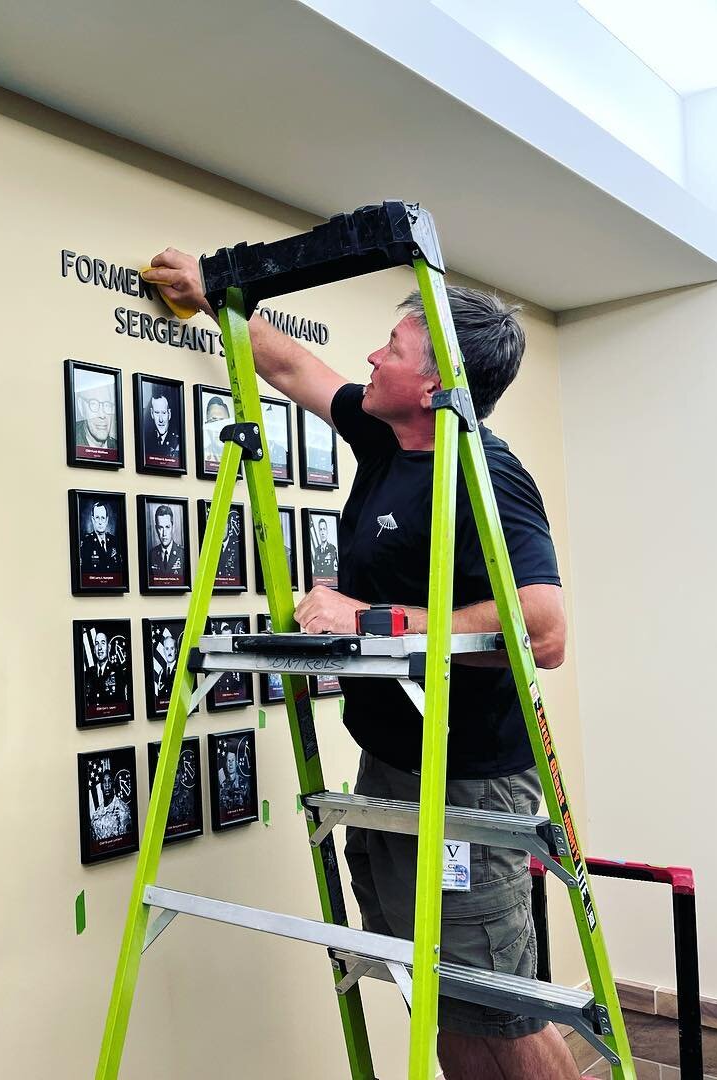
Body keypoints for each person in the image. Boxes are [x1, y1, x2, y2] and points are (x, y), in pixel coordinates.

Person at [146, 249, 572, 1078]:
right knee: (434, 988)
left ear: (434, 382)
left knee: (497, 1005)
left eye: (393, 346)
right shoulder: (385, 437)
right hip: (395, 762)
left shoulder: (486, 470)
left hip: (469, 780)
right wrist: (211, 298)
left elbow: (545, 629)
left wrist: (369, 617)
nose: (373, 356)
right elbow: (294, 365)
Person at [82, 628, 128, 713]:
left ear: (109, 647)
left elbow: (121, 705)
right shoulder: (87, 674)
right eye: (97, 644)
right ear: (94, 650)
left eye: (103, 643)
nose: (100, 648)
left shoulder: (118, 671)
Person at [78, 500, 120, 575]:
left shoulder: (114, 541)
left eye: (103, 518)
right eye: (97, 517)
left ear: (107, 520)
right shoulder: (86, 542)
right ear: (93, 520)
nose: (100, 522)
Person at [217, 737, 252, 817]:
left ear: (236, 763)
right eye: (228, 761)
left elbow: (249, 805)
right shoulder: (222, 785)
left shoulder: (244, 783)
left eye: (232, 760)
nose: (230, 763)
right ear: (226, 764)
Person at [142, 387, 181, 461]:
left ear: (169, 414)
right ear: (152, 413)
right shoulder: (145, 438)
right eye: (157, 413)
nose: (160, 420)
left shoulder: (177, 440)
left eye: (163, 413)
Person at [147, 503, 183, 578]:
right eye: (161, 527)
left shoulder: (183, 553)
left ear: (172, 527)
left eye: (167, 527)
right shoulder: (151, 554)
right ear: (156, 529)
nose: (164, 533)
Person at [151, 626, 178, 708]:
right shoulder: (161, 672)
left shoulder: (180, 670)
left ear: (176, 650)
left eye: (172, 648)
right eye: (166, 649)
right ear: (163, 651)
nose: (169, 652)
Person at [311, 516, 340, 582]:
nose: (322, 532)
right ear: (319, 532)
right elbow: (316, 570)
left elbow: (336, 569)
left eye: (324, 529)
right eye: (320, 529)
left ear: (327, 531)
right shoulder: (317, 550)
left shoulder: (332, 548)